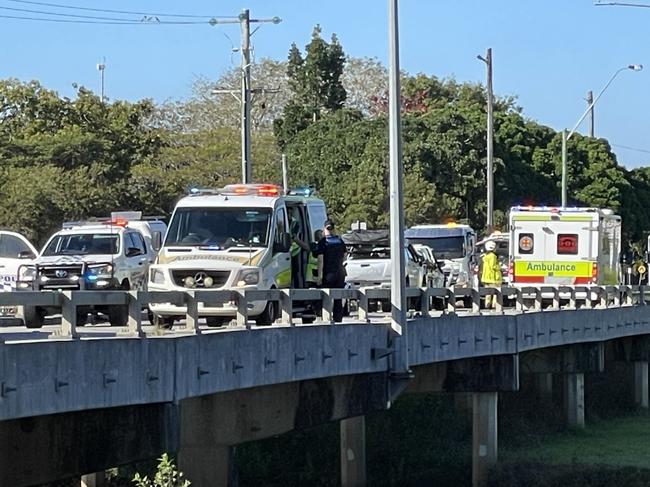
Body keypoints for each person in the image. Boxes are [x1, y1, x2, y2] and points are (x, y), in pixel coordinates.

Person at [312, 220, 347, 321]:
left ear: (324, 229)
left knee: (326, 296)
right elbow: (345, 256)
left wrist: (319, 276)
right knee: (338, 298)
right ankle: (338, 319)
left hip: (328, 274)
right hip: (340, 274)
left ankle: (326, 318)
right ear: (334, 229)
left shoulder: (324, 242)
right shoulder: (340, 241)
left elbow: (320, 261)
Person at [481, 239, 502, 309]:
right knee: (496, 293)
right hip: (493, 278)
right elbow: (493, 266)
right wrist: (499, 266)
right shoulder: (493, 256)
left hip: (486, 278)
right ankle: (494, 306)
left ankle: (487, 305)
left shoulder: (485, 256)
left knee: (488, 293)